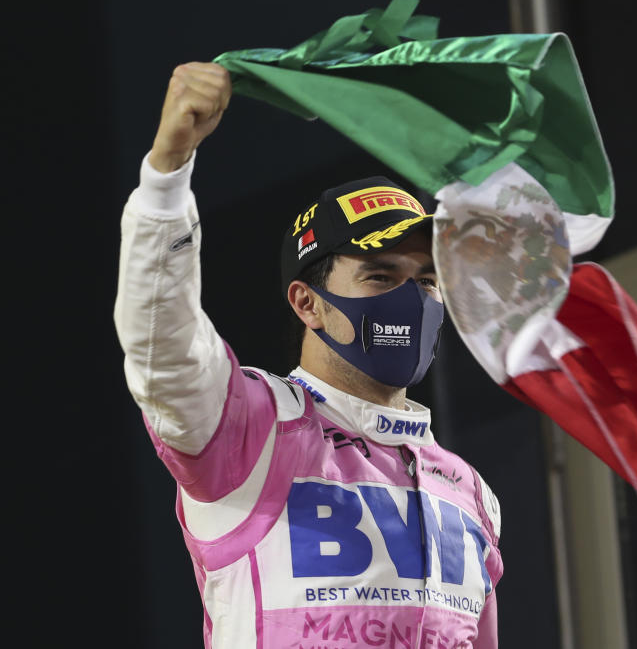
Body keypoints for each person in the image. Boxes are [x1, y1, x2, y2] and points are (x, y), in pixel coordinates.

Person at [114, 61, 503, 649]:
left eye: (426, 280)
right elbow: (163, 346)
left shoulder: (470, 492)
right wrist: (166, 177)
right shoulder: (248, 429)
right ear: (307, 303)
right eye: (379, 275)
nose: (411, 298)